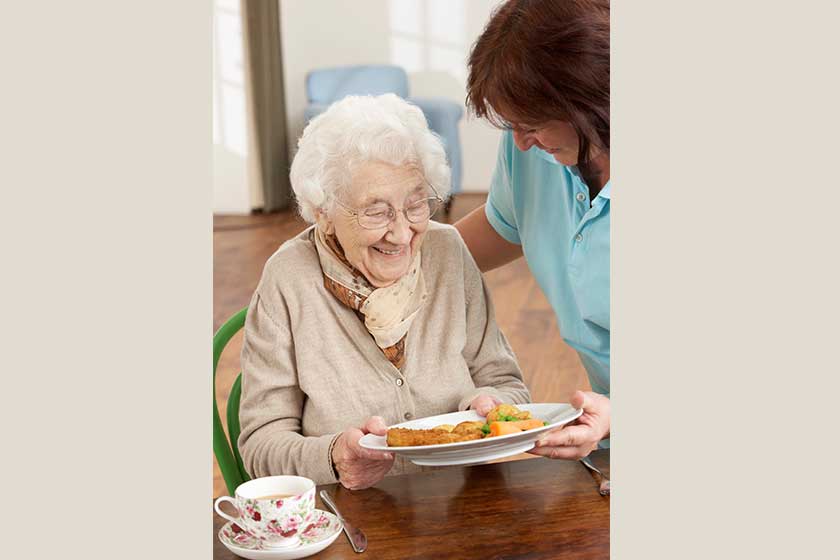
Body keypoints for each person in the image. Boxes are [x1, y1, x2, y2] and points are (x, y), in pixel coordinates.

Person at [237, 93, 530, 490]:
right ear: (323, 212)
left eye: (416, 205)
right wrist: (333, 457)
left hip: (463, 500)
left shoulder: (447, 250)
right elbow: (261, 444)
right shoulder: (288, 278)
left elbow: (508, 384)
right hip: (351, 513)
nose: (402, 233)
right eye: (376, 212)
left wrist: (491, 407)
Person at [455, 0, 611, 459]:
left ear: (591, 98)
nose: (520, 142)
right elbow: (503, 227)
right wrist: (396, 253)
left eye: (532, 123)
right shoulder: (533, 152)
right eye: (512, 123)